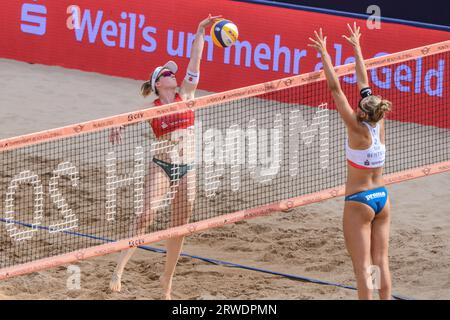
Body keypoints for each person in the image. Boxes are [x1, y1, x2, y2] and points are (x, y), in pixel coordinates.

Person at [108, 14, 222, 300]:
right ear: (159, 83)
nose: (173, 74)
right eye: (166, 73)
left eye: (172, 72)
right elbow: (129, 117)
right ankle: (119, 268)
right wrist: (119, 125)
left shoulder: (188, 93)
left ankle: (166, 283)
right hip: (161, 166)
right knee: (145, 215)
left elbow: (196, 59)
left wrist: (199, 31)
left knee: (179, 228)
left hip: (188, 167)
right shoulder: (154, 108)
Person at [308, 23, 392, 299]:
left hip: (359, 203)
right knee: (381, 262)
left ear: (361, 111)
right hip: (382, 198)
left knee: (363, 267)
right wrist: (356, 47)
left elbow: (335, 88)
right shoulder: (379, 123)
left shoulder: (356, 129)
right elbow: (364, 82)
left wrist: (324, 54)